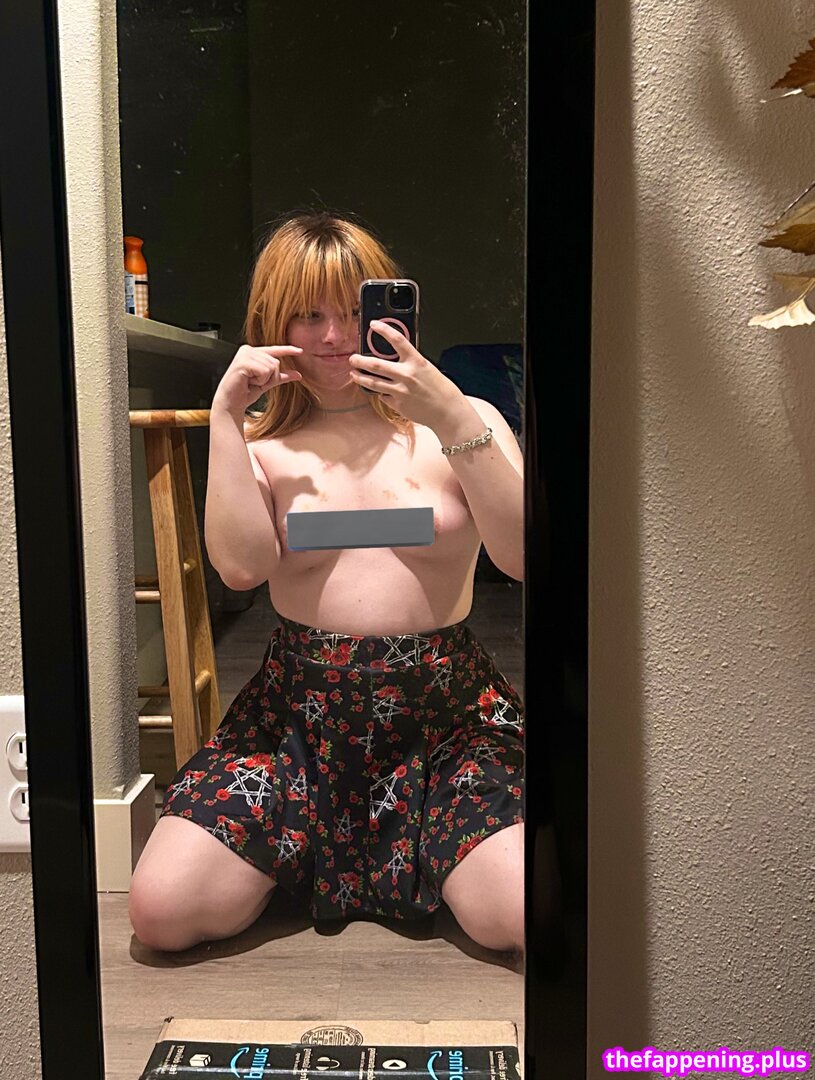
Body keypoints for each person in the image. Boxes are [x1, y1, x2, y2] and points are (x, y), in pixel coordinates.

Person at [129, 211, 525, 960]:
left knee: (525, 912)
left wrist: (447, 413)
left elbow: (524, 557)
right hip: (296, 722)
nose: (336, 335)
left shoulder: (465, 421)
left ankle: (421, 848)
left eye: (352, 310)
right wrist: (225, 416)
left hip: (446, 718)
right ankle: (331, 851)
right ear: (271, 325)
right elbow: (241, 569)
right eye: (308, 315)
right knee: (161, 911)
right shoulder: (260, 448)